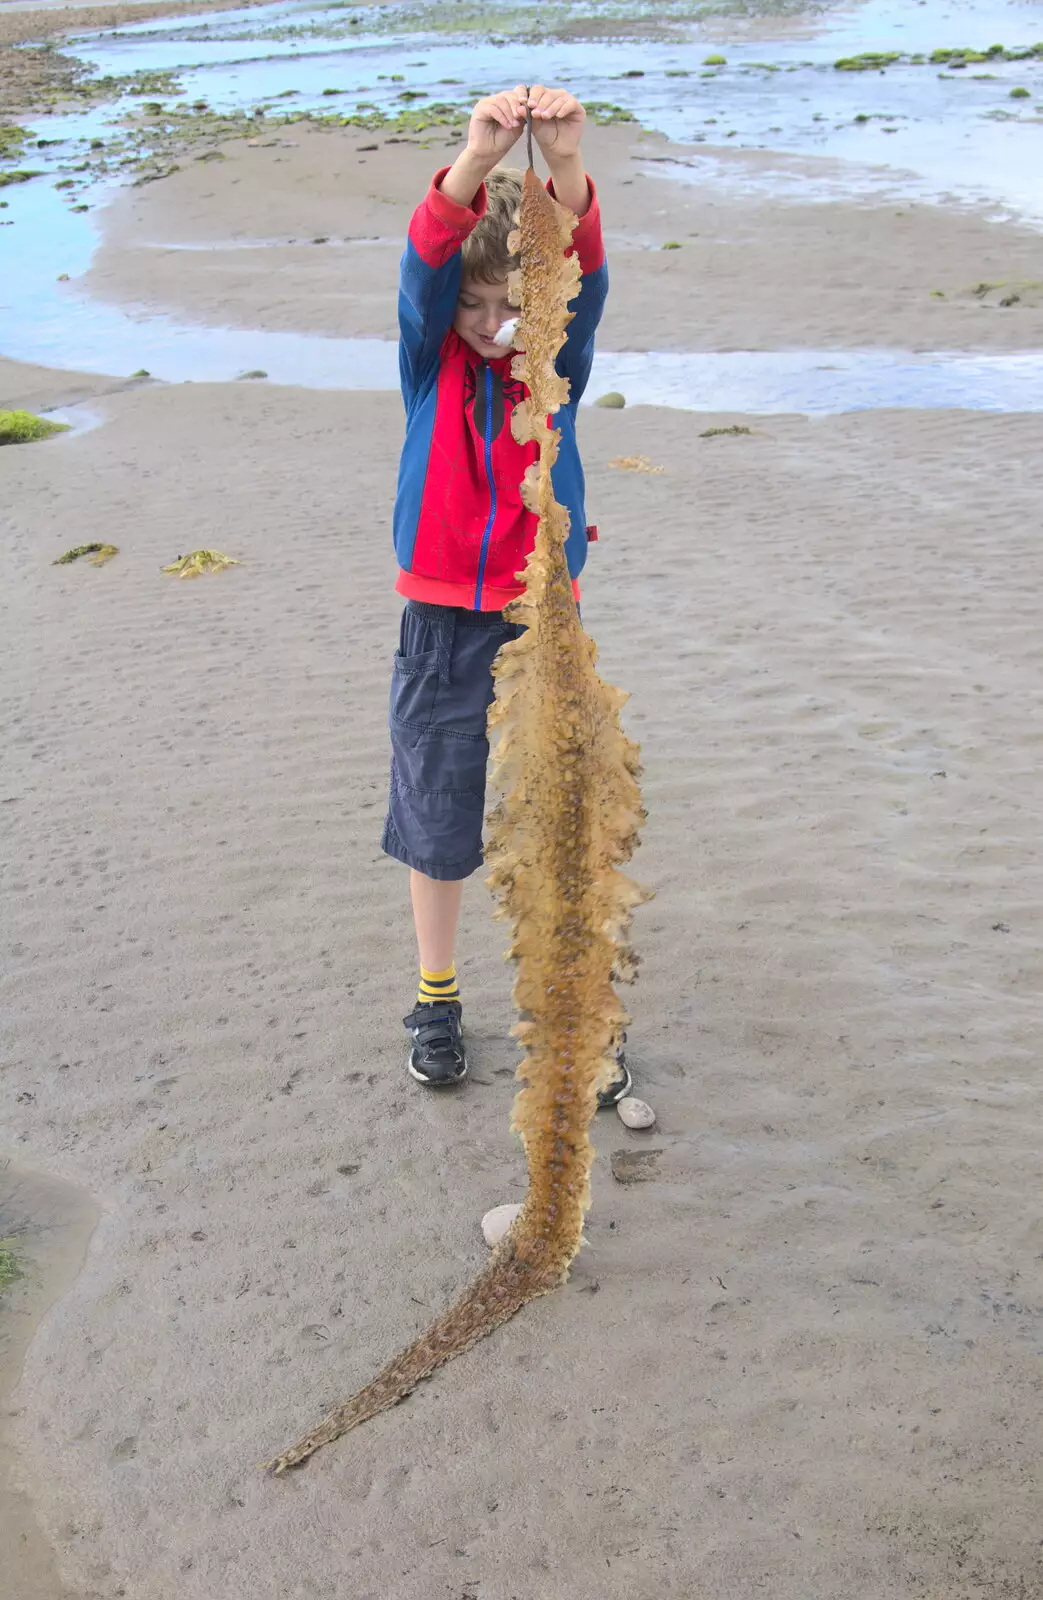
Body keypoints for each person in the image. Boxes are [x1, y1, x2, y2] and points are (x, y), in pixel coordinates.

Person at [382, 83, 631, 1104]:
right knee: (437, 811)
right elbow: (424, 268)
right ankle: (436, 998)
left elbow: (585, 274)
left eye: (510, 307)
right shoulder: (429, 358)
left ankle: (577, 1008)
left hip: (542, 615)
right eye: (476, 308)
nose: (491, 327)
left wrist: (563, 166)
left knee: (561, 813)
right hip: (441, 613)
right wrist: (477, 160)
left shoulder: (551, 364)